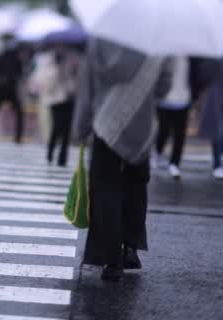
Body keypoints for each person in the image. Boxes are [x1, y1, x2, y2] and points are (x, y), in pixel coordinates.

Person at [74, 38, 172, 281]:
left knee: (105, 189)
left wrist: (80, 127)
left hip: (105, 123)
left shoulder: (100, 40)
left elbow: (87, 88)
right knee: (136, 186)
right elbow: (163, 85)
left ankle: (111, 260)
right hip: (141, 124)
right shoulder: (155, 41)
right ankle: (130, 247)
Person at [153, 57, 191, 179]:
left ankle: (175, 163)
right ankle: (158, 153)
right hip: (165, 100)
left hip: (184, 99)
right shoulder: (165, 55)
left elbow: (196, 76)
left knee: (180, 134)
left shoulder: (191, 56)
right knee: (164, 130)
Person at [199, 59, 223, 179]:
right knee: (218, 131)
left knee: (218, 131)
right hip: (217, 96)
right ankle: (217, 163)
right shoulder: (214, 56)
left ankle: (218, 163)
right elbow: (204, 73)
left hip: (216, 94)